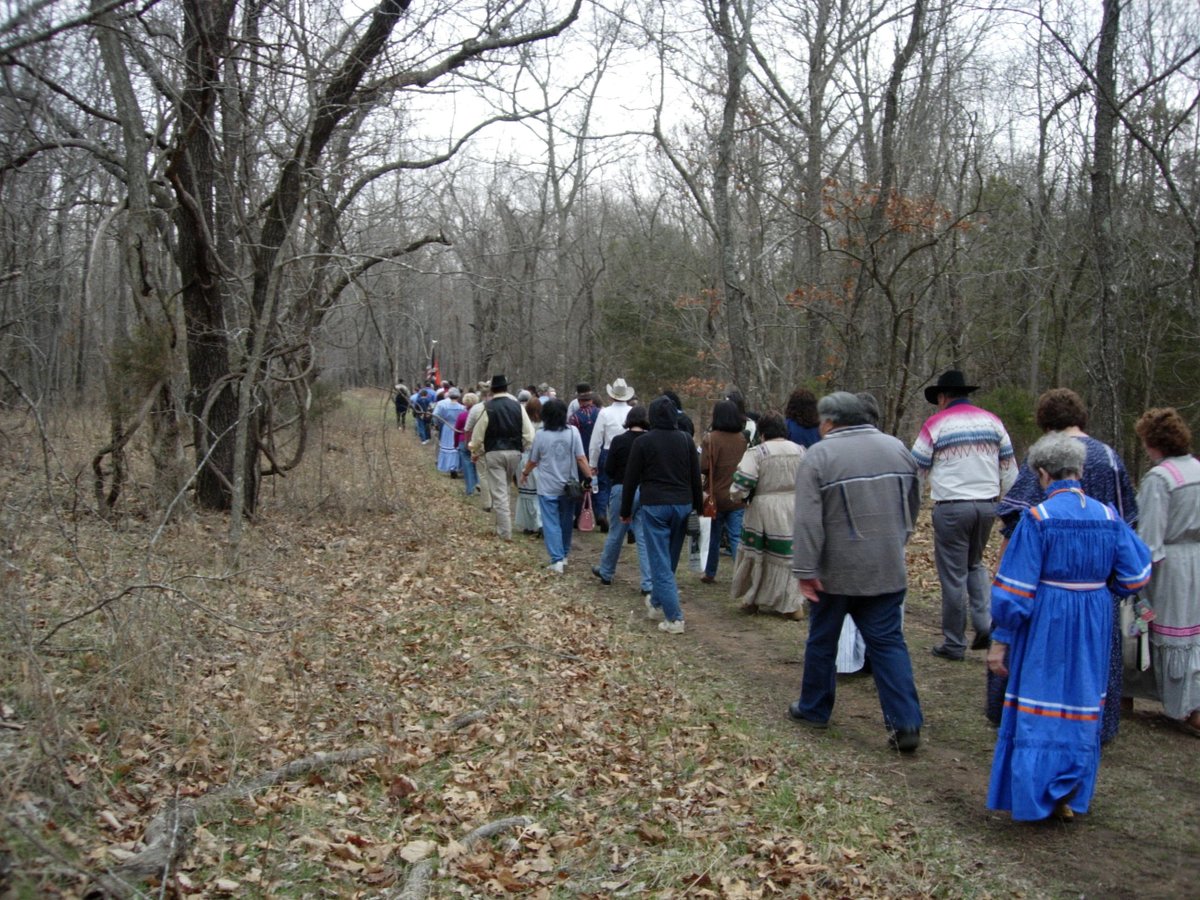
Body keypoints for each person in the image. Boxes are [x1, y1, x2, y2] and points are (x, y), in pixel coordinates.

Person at [987, 434, 1151, 821]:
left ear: (1043, 474)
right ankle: (1069, 793)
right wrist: (1098, 587)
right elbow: (1137, 573)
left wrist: (1001, 639)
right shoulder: (1109, 516)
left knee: (1040, 698)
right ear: (1078, 471)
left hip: (1047, 618)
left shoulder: (1039, 518)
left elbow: (1015, 589)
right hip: (1093, 617)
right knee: (1080, 699)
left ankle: (1035, 795)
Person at [993, 388, 1138, 741]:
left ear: (1045, 422)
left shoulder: (1044, 457)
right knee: (1092, 664)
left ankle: (1035, 727)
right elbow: (1129, 524)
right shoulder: (1109, 456)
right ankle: (1093, 726)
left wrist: (1002, 574)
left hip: (1047, 588)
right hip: (1097, 589)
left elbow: (1017, 521)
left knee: (1045, 662)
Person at [789, 391, 924, 752]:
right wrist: (898, 541)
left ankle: (814, 707)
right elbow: (913, 503)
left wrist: (805, 567)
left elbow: (806, 519)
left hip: (836, 570)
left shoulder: (820, 455)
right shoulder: (898, 448)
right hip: (886, 565)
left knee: (822, 639)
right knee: (889, 644)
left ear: (831, 421)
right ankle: (906, 721)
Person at [912, 370, 1017, 661]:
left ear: (944, 397)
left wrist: (910, 508)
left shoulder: (936, 424)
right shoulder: (993, 422)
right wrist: (1011, 512)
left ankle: (954, 642)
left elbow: (916, 470)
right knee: (974, 564)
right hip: (987, 505)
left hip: (952, 507)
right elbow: (1009, 470)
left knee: (953, 575)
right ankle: (984, 624)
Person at [1134, 408, 1200, 737]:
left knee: (1172, 635)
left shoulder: (1161, 479)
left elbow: (1150, 539)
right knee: (1193, 635)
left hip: (1171, 566)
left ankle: (1184, 707)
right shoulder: (1197, 469)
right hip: (1196, 559)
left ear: (1154, 442)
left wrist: (1138, 575)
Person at [621, 395, 703, 635]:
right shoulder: (686, 440)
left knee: (660, 561)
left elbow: (631, 480)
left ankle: (675, 618)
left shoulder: (643, 442)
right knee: (669, 559)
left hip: (655, 505)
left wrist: (625, 511)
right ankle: (657, 603)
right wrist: (698, 507)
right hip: (682, 504)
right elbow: (694, 478)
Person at [729, 411, 806, 617]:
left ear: (762, 432)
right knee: (786, 555)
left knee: (757, 553)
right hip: (794, 506)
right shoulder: (800, 451)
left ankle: (752, 599)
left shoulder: (757, 453)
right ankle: (792, 604)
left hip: (764, 507)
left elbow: (742, 483)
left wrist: (738, 496)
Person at [521, 398, 592, 574]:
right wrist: (590, 478)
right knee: (566, 521)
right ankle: (564, 554)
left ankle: (556, 559)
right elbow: (581, 458)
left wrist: (524, 473)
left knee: (551, 522)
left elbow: (533, 460)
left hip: (547, 486)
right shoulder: (573, 432)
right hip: (570, 486)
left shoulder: (541, 434)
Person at [591, 405, 654, 598]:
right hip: (644, 490)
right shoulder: (650, 441)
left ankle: (607, 572)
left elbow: (608, 469)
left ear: (628, 421)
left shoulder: (619, 440)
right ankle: (647, 582)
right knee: (643, 536)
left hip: (621, 487)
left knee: (616, 532)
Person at [469, 375, 535, 540]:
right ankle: (501, 527)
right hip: (515, 453)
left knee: (499, 493)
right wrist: (525, 447)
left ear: (492, 389)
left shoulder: (488, 407)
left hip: (494, 453)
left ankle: (505, 533)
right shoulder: (517, 407)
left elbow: (478, 435)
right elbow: (529, 434)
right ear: (506, 388)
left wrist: (474, 450)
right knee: (503, 488)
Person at [699, 400, 748, 584]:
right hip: (737, 495)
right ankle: (740, 575)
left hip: (715, 495)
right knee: (736, 536)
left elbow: (703, 466)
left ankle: (710, 572)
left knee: (714, 536)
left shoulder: (710, 439)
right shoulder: (743, 439)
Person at [589, 378, 636, 537]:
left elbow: (596, 440)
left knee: (604, 485)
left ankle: (602, 513)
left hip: (608, 451)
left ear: (611, 396)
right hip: (630, 451)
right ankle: (630, 524)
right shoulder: (632, 412)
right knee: (629, 487)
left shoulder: (604, 412)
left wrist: (592, 463)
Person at [569, 389, 603, 529]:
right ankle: (600, 513)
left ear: (579, 401)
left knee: (580, 485)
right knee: (598, 485)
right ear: (591, 400)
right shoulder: (601, 414)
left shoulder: (574, 417)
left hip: (581, 455)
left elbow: (572, 437)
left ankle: (578, 516)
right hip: (598, 453)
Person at [515, 396, 544, 537]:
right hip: (541, 461)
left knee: (526, 495)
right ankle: (540, 522)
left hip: (526, 458)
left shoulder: (523, 423)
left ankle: (530, 524)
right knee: (539, 495)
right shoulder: (545, 424)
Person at [433, 388, 465, 476]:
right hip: (458, 428)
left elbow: (435, 415)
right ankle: (455, 466)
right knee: (456, 447)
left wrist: (438, 424)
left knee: (448, 447)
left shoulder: (443, 406)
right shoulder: (462, 407)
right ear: (458, 396)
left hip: (447, 427)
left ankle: (450, 466)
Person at [456, 393, 480, 497]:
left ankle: (470, 489)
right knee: (478, 465)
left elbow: (457, 430)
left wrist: (455, 443)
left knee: (467, 466)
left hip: (464, 441)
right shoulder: (480, 414)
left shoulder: (462, 415)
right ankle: (480, 486)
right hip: (477, 442)